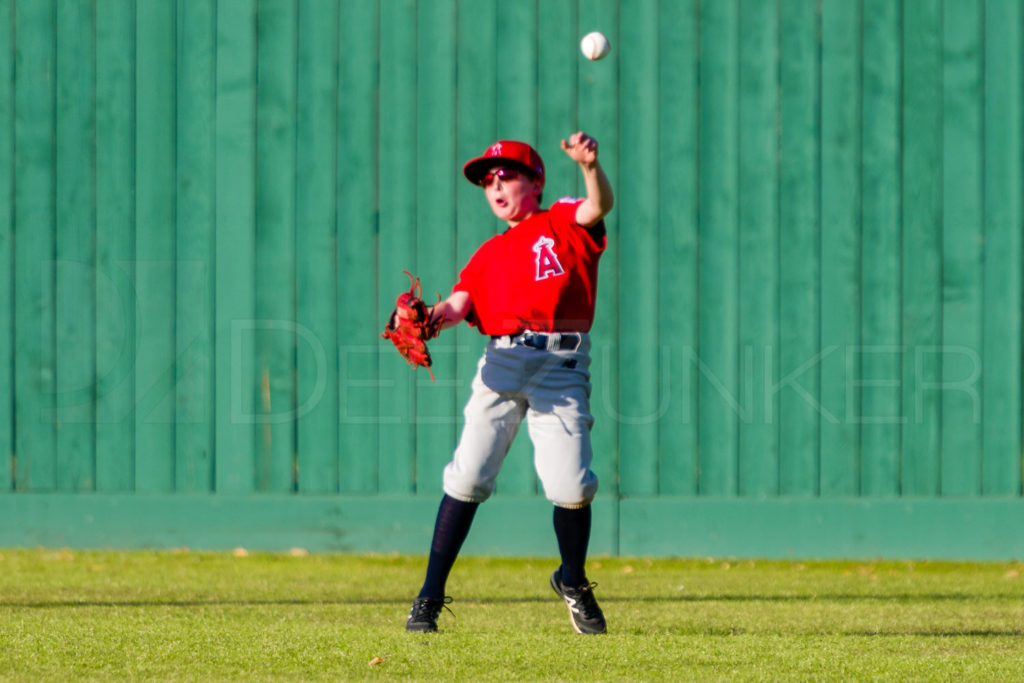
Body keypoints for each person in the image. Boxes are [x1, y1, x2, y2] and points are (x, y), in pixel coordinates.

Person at [405, 132, 614, 635]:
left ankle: (573, 580)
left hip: (561, 368)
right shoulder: (487, 255)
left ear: (536, 181)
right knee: (467, 478)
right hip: (502, 363)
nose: (496, 186)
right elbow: (457, 305)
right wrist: (426, 316)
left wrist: (589, 165)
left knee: (571, 486)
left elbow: (598, 205)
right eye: (487, 181)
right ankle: (428, 597)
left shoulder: (561, 219)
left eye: (507, 175)